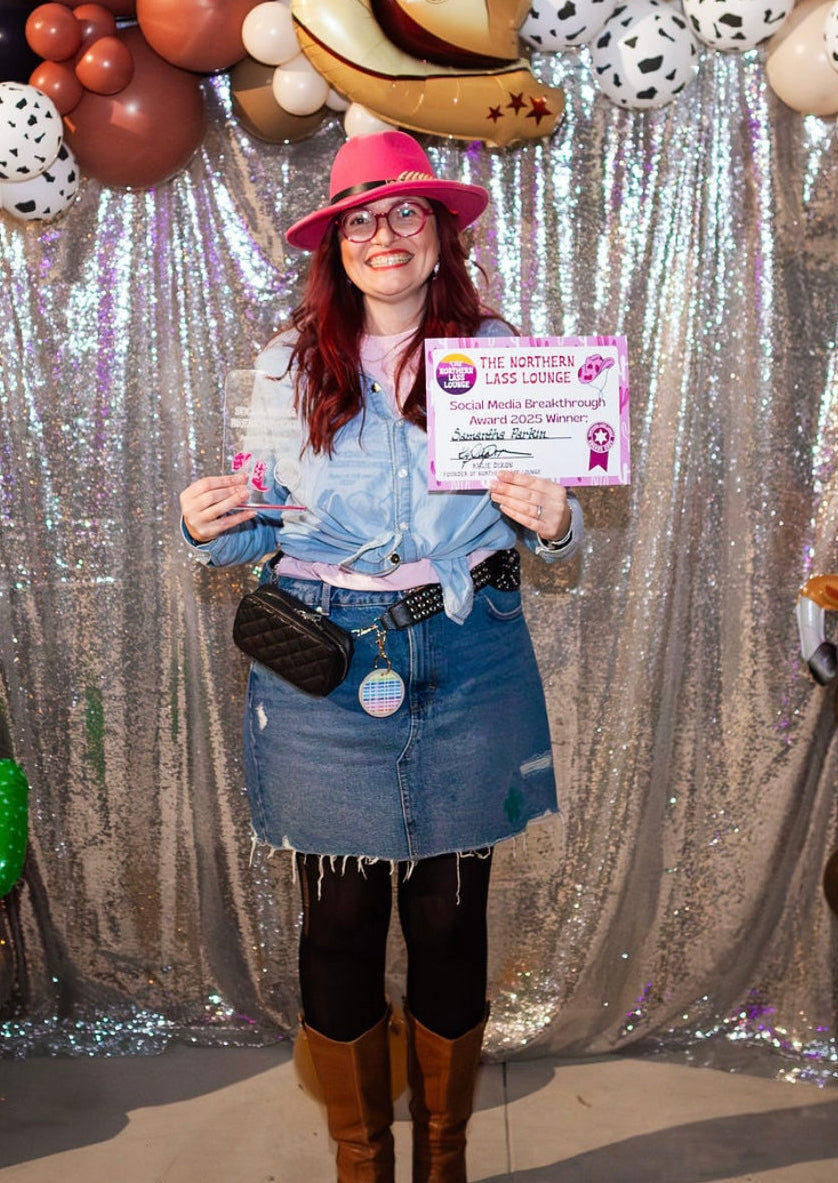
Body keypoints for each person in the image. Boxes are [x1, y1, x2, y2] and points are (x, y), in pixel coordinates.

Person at [179, 131, 582, 1183]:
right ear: (336, 246)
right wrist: (205, 520)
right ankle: (363, 1161)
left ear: (440, 233)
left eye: (405, 213)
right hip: (325, 664)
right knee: (342, 913)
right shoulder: (287, 361)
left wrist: (555, 521)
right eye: (359, 219)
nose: (383, 235)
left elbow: (548, 505)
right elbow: (256, 523)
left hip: (468, 654)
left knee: (450, 920)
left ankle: (441, 1160)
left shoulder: (499, 355)